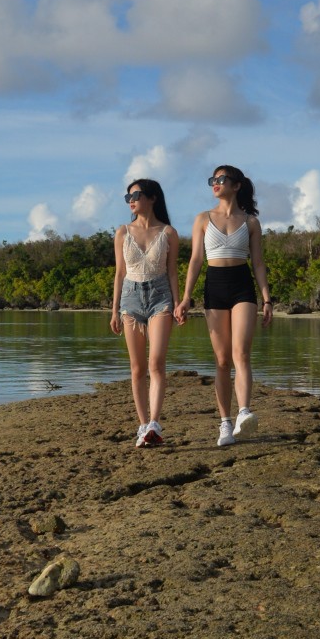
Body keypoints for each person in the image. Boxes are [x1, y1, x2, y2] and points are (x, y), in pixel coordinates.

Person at [177, 164, 272, 446]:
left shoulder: (251, 222)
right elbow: (195, 261)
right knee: (221, 360)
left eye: (221, 179)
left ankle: (244, 412)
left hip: (242, 285)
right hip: (215, 285)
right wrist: (185, 297)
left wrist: (267, 299)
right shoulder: (202, 219)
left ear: (236, 185)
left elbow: (258, 263)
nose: (215, 184)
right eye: (212, 180)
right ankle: (225, 424)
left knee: (241, 353)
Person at [110, 178, 181, 447]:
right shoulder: (122, 232)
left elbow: (173, 272)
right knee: (138, 367)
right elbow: (119, 273)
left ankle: (155, 423)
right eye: (128, 196)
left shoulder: (168, 233)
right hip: (130, 299)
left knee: (156, 363)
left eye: (137, 195)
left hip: (161, 297)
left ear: (152, 198)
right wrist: (114, 310)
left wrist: (177, 304)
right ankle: (142, 427)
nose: (131, 200)